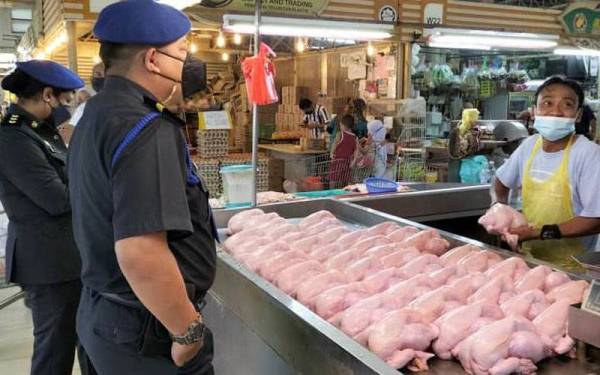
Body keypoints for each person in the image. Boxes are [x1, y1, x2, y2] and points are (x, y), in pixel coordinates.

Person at [67, 0, 217, 374]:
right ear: (153, 59)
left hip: (103, 315)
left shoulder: (94, 116)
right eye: (181, 54)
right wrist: (188, 333)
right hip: (144, 330)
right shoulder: (145, 128)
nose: (184, 66)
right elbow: (141, 253)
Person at [0, 60, 96, 375]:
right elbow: (56, 199)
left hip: (67, 257)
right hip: (47, 264)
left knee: (86, 340)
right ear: (47, 95)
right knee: (55, 350)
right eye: (66, 99)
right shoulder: (14, 138)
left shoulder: (40, 132)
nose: (68, 106)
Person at [493, 76, 600, 271]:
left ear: (577, 115)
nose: (556, 112)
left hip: (573, 270)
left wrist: (538, 233)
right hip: (529, 261)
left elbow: (595, 220)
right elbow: (500, 182)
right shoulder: (530, 146)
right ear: (534, 111)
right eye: (547, 103)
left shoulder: (589, 154)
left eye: (567, 104)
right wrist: (499, 209)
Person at [329, 114, 359, 188]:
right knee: (345, 179)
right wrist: (354, 161)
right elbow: (356, 151)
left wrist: (331, 153)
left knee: (333, 178)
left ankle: (331, 191)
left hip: (337, 161)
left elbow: (334, 144)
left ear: (343, 125)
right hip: (347, 162)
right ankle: (345, 193)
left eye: (340, 125)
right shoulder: (355, 137)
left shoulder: (340, 134)